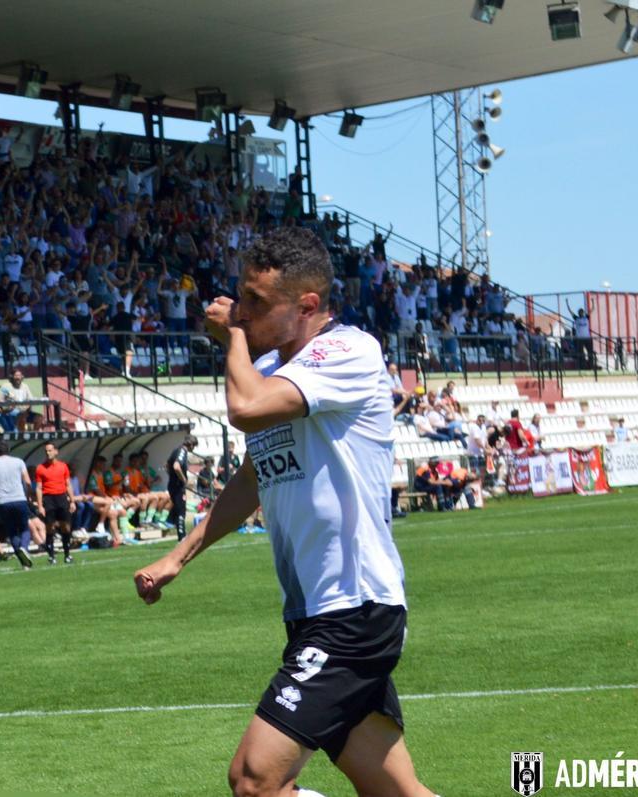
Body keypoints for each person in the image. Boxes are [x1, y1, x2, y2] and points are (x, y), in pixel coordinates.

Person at [134, 227, 432, 797]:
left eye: (257, 302)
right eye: (240, 295)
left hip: (354, 610)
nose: (241, 311)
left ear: (308, 306)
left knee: (253, 781)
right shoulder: (277, 369)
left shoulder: (348, 350)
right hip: (316, 613)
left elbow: (244, 409)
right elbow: (254, 474)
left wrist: (232, 343)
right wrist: (179, 557)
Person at [0, 440, 35, 569]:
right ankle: (24, 548)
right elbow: (28, 482)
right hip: (19, 499)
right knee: (24, 528)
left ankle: (24, 563)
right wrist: (29, 496)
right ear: (8, 450)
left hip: (3, 502)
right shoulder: (19, 462)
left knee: (12, 532)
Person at [34, 442, 74, 564]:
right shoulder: (40, 468)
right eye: (46, 451)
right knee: (50, 527)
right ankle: (51, 556)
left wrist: (72, 501)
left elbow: (68, 484)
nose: (48, 453)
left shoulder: (63, 466)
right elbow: (39, 488)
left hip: (61, 497)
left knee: (65, 526)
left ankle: (67, 554)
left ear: (56, 451)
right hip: (49, 499)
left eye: (50, 450)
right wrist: (40, 505)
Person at [166, 434, 197, 541]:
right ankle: (182, 536)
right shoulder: (182, 452)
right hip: (177, 486)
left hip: (172, 484)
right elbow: (176, 466)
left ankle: (169, 521)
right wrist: (184, 480)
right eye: (194, 446)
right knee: (181, 511)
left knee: (178, 509)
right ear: (190, 444)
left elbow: (167, 465)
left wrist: (171, 476)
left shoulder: (175, 450)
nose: (194, 449)